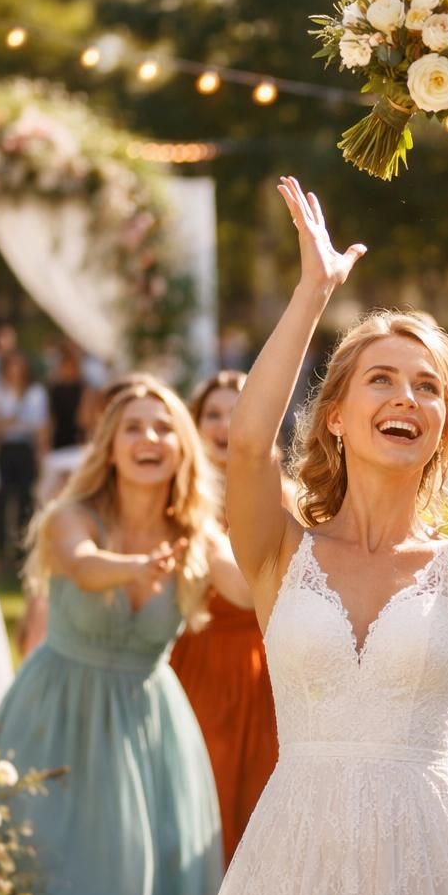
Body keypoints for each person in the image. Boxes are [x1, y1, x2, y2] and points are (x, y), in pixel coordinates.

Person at [202, 177, 448, 895]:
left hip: (427, 867)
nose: (407, 398)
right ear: (335, 416)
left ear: (444, 426)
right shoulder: (279, 553)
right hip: (293, 863)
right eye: (383, 379)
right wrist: (312, 292)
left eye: (430, 388)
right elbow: (249, 440)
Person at [0, 376, 227, 895]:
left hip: (149, 727)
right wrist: (134, 569)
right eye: (134, 427)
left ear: (182, 446)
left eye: (165, 428)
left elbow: (243, 586)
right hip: (59, 715)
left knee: (142, 890)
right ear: (111, 445)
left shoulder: (196, 533)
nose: (150, 438)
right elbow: (83, 563)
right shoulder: (72, 514)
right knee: (53, 878)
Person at [168, 370, 281, 869]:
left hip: (272, 671)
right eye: (212, 414)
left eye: (237, 411)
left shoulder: (288, 496)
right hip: (201, 666)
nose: (225, 424)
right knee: (203, 806)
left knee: (264, 806)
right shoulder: (175, 503)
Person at [0, 353, 50, 574]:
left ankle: (22, 553)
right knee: (2, 501)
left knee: (26, 500)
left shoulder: (35, 393)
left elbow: (41, 426)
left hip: (25, 450)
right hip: (5, 451)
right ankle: (2, 552)